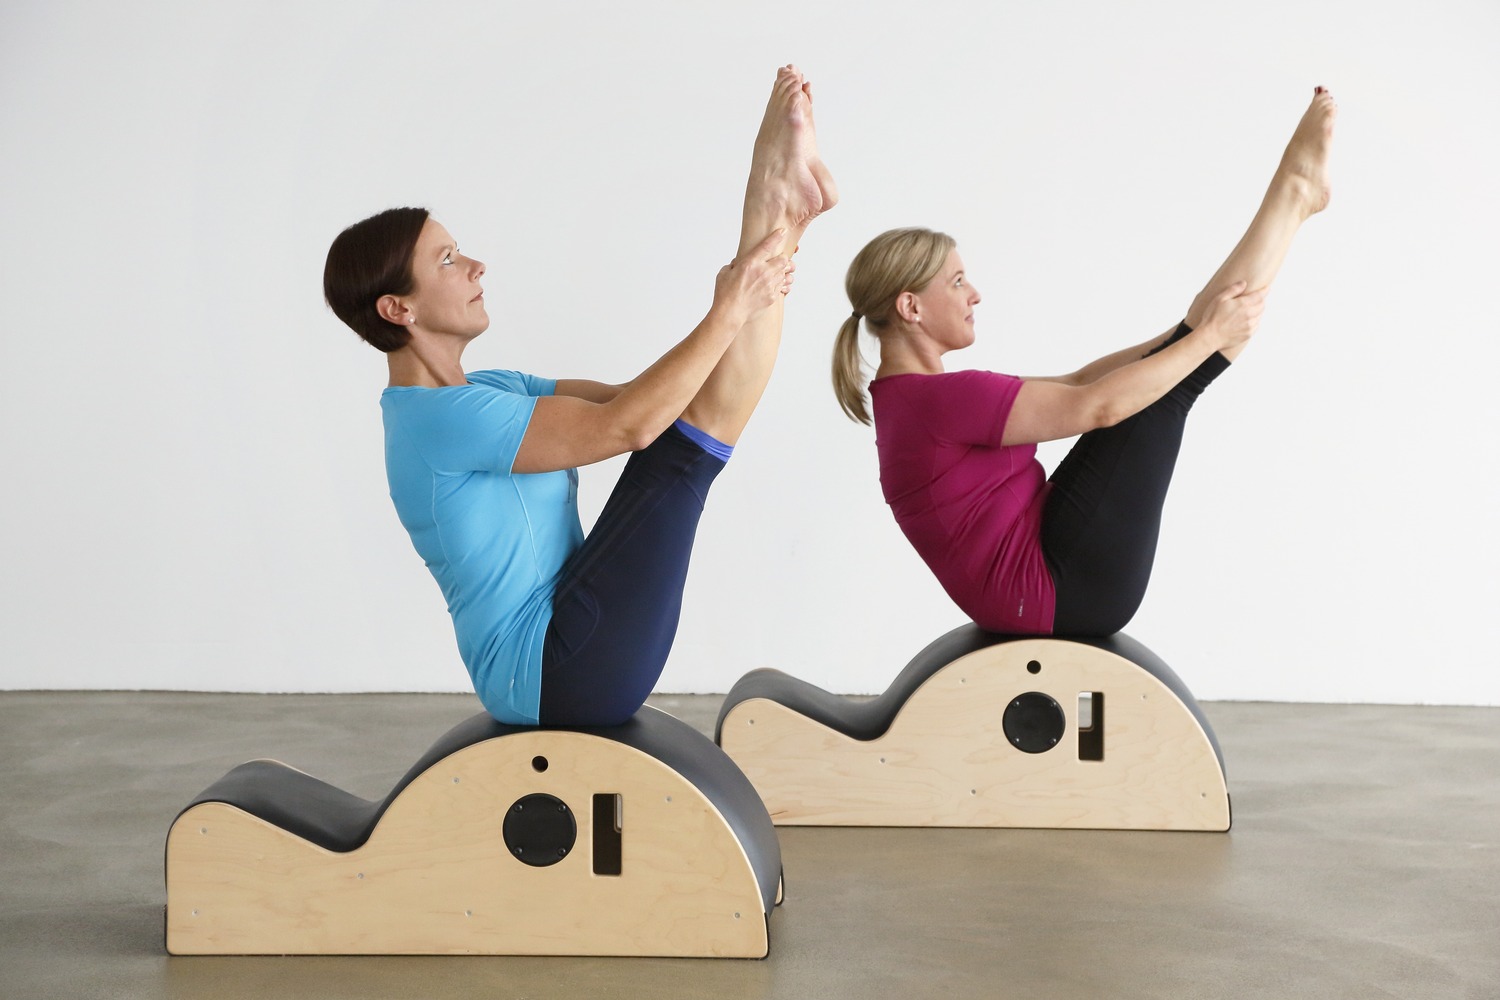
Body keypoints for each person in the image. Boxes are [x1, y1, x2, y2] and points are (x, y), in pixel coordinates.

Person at [323, 66, 836, 725]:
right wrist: (729, 307)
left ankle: (783, 216)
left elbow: (646, 403)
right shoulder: (440, 422)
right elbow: (630, 428)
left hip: (571, 639)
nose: (476, 266)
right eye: (447, 260)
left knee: (685, 433)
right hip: (554, 670)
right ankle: (772, 206)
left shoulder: (490, 390)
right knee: (676, 455)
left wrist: (741, 295)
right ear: (399, 308)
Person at [832, 88, 1336, 636]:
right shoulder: (938, 403)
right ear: (910, 308)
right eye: (956, 282)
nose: (974, 294)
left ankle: (1294, 196)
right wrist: (1206, 334)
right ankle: (1293, 197)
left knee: (1169, 373)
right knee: (1162, 392)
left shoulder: (914, 401)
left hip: (1047, 567)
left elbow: (1078, 381)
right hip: (1063, 590)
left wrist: (1187, 331)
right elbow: (1097, 406)